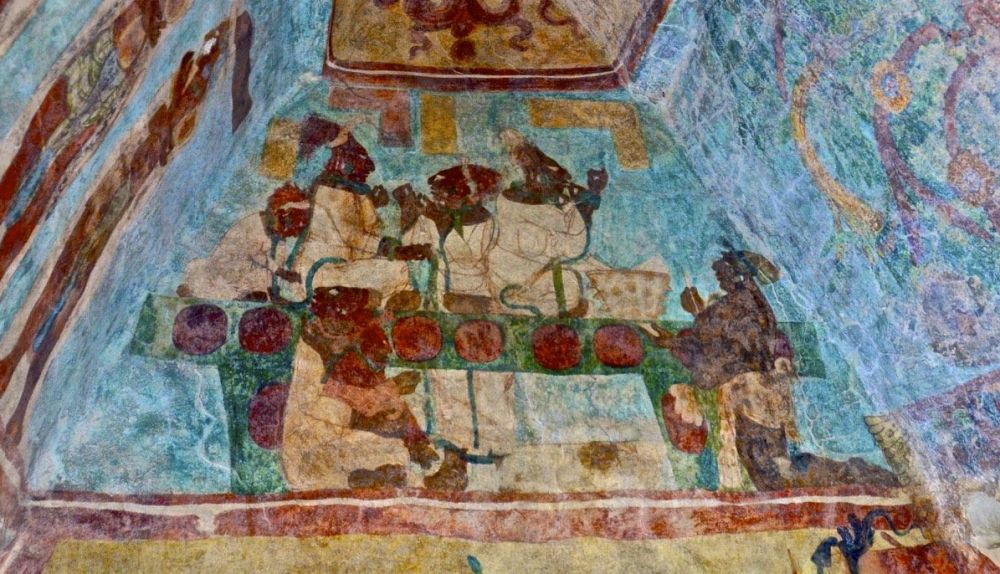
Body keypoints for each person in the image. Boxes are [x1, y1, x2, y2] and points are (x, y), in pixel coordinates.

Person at [651, 250, 899, 490]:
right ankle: (865, 475)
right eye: (720, 274)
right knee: (773, 469)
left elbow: (724, 351)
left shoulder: (739, 306)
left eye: (722, 273)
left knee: (775, 470)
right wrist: (683, 334)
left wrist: (687, 330)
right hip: (755, 396)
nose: (720, 278)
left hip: (756, 396)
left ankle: (865, 476)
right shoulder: (746, 303)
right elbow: (734, 345)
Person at [281, 287, 438, 490]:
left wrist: (389, 392)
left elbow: (371, 387)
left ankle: (408, 456)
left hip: (354, 410)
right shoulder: (315, 346)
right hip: (335, 414)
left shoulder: (369, 332)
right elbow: (331, 390)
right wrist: (391, 388)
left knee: (396, 421)